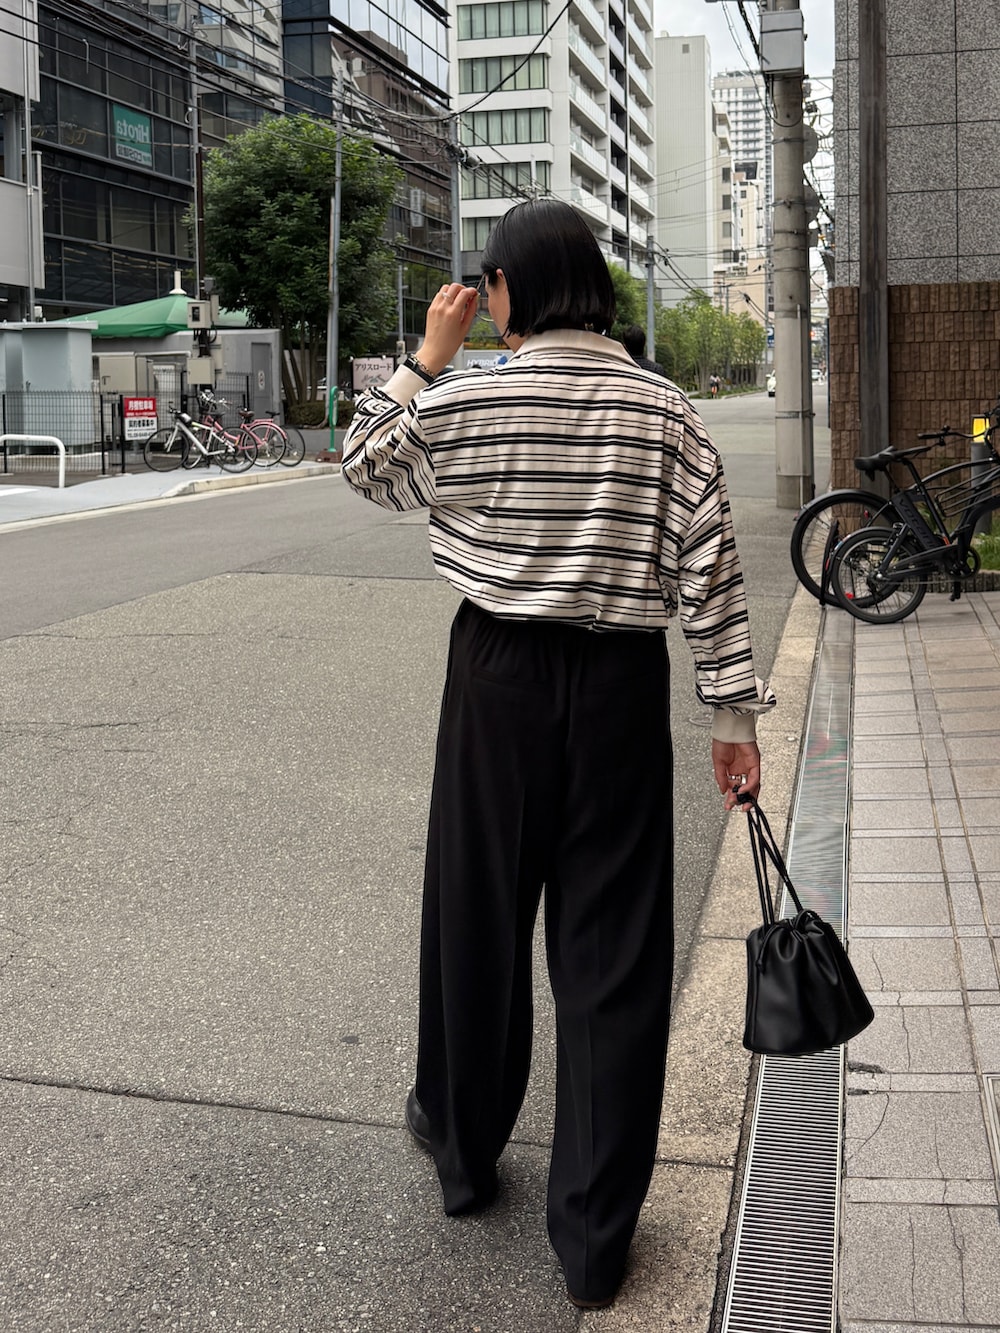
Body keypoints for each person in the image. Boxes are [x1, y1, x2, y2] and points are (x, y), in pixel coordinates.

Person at [340, 199, 773, 1311]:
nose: (477, 310)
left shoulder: (471, 392)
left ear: (508, 291)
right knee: (613, 954)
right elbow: (712, 579)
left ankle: (465, 1151)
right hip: (621, 680)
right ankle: (591, 1235)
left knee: (477, 917)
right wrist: (732, 724)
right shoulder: (667, 411)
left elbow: (366, 467)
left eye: (483, 292)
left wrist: (421, 364)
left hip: (495, 680)